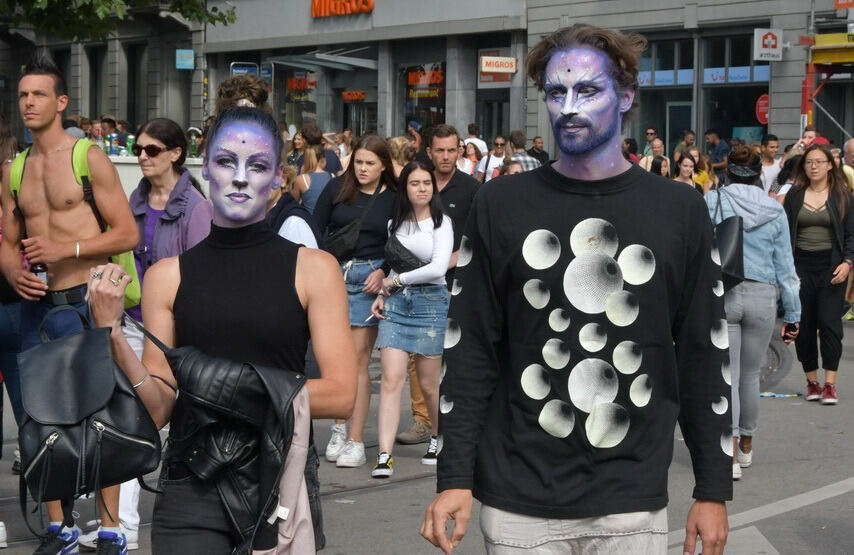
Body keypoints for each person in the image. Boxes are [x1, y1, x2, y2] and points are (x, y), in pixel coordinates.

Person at [422, 23, 730, 555]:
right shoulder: (500, 204)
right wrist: (454, 476)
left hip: (631, 498)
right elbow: (469, 346)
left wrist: (713, 488)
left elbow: (703, 351)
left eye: (587, 90)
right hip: (519, 499)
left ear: (626, 96)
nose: (568, 107)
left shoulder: (679, 210)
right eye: (555, 92)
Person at [87, 106, 357, 553]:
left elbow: (342, 393)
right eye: (227, 161)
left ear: (278, 177)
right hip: (192, 484)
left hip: (278, 479)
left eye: (258, 165)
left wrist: (211, 386)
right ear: (206, 168)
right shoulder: (167, 277)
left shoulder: (314, 269)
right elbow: (160, 407)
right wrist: (113, 334)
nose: (240, 178)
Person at [1, 55, 139, 553]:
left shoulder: (88, 157)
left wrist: (67, 249)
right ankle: (59, 529)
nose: (29, 102)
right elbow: (7, 239)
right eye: (23, 95)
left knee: (99, 415)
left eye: (38, 94)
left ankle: (110, 529)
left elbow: (127, 232)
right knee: (40, 418)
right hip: (38, 307)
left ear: (61, 102)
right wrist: (13, 271)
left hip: (86, 301)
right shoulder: (15, 169)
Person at [79, 116, 213, 551]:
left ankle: (151, 517)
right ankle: (121, 522)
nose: (142, 156)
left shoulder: (195, 207)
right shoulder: (133, 201)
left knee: (169, 418)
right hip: (132, 322)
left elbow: (201, 275)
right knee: (126, 417)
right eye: (138, 149)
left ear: (176, 153)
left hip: (175, 327)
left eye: (152, 150)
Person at [704, 145, 801, 481]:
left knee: (728, 375)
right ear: (760, 173)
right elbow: (786, 267)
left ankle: (729, 452)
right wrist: (794, 314)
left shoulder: (713, 200)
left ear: (727, 171)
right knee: (750, 375)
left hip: (726, 291)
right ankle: (747, 443)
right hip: (763, 295)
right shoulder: (775, 210)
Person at [314, 135, 397, 468]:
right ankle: (338, 427)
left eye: (370, 163)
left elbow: (399, 241)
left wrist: (384, 271)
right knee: (336, 358)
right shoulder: (337, 187)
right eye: (359, 161)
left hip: (368, 279)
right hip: (334, 275)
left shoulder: (393, 198)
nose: (363, 169)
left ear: (383, 166)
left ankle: (357, 439)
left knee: (358, 360)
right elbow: (315, 228)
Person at [396, 124, 479, 447]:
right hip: (418, 283)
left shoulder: (471, 189)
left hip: (458, 284)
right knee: (418, 354)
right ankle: (423, 420)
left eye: (451, 150)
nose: (446, 156)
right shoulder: (418, 183)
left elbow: (479, 236)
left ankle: (458, 422)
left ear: (460, 151)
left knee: (455, 354)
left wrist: (451, 259)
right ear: (429, 152)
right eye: (439, 150)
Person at [370, 161, 453, 478]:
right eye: (415, 183)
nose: (422, 188)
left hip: (431, 304)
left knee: (429, 386)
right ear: (405, 188)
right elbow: (394, 265)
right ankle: (384, 455)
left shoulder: (441, 223)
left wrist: (395, 281)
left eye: (426, 183)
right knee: (391, 380)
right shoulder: (395, 223)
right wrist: (384, 293)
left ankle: (438, 438)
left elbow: (438, 268)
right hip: (397, 306)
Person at [783, 145, 854, 405]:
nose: (813, 167)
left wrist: (847, 262)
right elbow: (784, 234)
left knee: (829, 325)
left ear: (830, 165)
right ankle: (812, 381)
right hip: (800, 267)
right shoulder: (794, 196)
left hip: (832, 267)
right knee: (805, 325)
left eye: (819, 162)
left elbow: (851, 235)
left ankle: (830, 384)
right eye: (809, 162)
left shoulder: (842, 195)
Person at [295, 144, 333, 214]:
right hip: (327, 219)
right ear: (323, 160)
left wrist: (301, 173)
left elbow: (293, 202)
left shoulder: (301, 179)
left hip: (308, 219)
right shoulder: (332, 176)